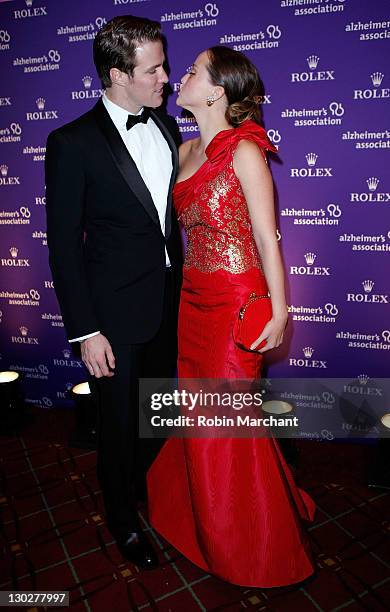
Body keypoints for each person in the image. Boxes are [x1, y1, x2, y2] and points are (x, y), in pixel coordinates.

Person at [147, 46, 316, 587]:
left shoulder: (245, 149)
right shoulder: (183, 148)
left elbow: (268, 237)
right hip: (190, 301)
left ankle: (250, 543)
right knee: (201, 416)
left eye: (193, 70)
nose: (183, 75)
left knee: (228, 421)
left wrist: (281, 310)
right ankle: (201, 521)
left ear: (217, 91)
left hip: (235, 304)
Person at [45, 15, 182, 569]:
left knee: (157, 417)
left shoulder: (170, 128)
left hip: (171, 307)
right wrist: (85, 330)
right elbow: (62, 248)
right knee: (120, 428)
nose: (166, 78)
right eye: (153, 69)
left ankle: (149, 497)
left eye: (166, 65)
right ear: (116, 75)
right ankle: (122, 522)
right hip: (111, 318)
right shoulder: (71, 142)